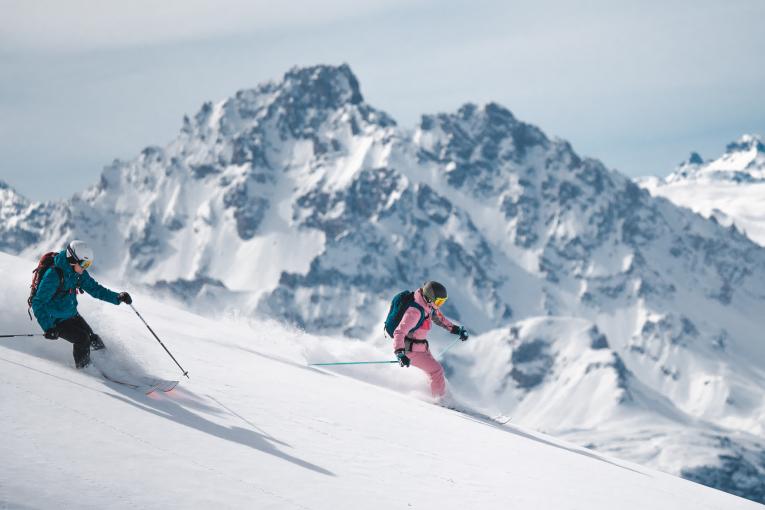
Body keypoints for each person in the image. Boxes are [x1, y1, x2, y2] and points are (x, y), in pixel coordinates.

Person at [31, 240, 132, 369]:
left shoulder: (78, 274)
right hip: (55, 319)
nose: (85, 267)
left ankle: (110, 367)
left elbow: (96, 289)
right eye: (84, 263)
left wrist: (117, 297)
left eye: (88, 264)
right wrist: (48, 327)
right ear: (72, 259)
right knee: (82, 339)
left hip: (71, 314)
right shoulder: (54, 275)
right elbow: (37, 302)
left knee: (94, 339)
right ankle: (85, 371)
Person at [391, 281, 469, 398]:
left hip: (421, 347)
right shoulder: (415, 312)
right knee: (436, 371)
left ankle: (435, 395)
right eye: (438, 301)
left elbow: (440, 319)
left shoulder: (428, 306)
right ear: (430, 298)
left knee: (432, 372)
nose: (440, 305)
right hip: (410, 351)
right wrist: (400, 353)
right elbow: (399, 332)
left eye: (442, 302)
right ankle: (439, 401)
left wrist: (456, 330)